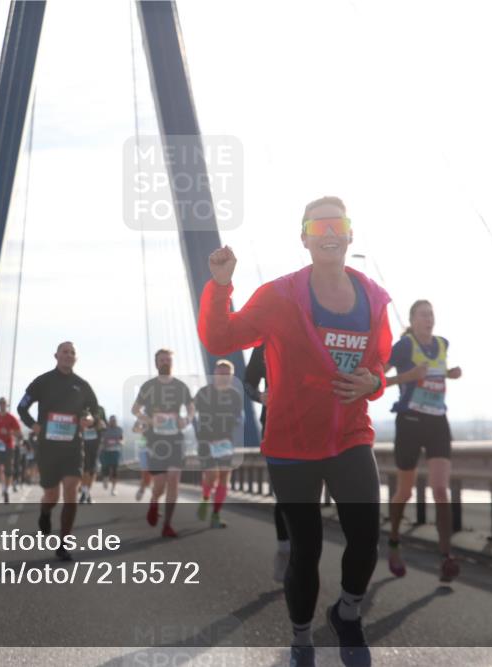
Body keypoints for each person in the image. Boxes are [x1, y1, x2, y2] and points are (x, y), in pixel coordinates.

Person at [198, 196, 391, 667]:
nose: (329, 233)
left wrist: (374, 381)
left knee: (366, 535)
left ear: (350, 234)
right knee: (306, 548)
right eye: (319, 225)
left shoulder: (372, 297)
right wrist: (221, 287)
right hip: (291, 444)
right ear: (304, 238)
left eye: (338, 224)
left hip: (350, 436)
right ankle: (301, 639)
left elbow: (379, 361)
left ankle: (347, 613)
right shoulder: (279, 295)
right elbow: (221, 339)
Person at [385, 300, 463, 583]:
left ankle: (446, 557)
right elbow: (378, 376)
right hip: (410, 421)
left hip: (437, 422)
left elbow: (435, 372)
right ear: (412, 320)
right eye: (423, 314)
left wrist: (449, 374)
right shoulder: (404, 346)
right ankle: (393, 542)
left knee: (440, 489)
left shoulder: (442, 344)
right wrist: (407, 376)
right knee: (405, 492)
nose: (428, 318)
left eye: (431, 314)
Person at [17, 341, 100, 561]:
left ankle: (64, 543)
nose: (68, 355)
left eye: (72, 352)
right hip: (48, 448)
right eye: (65, 352)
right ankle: (45, 512)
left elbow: (96, 410)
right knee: (52, 495)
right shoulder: (42, 382)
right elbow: (21, 407)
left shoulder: (82, 385)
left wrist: (90, 419)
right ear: (56, 356)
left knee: (71, 492)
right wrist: (34, 426)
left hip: (73, 447)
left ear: (75, 358)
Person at [132, 348, 195, 538]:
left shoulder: (181, 386)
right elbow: (135, 410)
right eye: (161, 360)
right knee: (159, 484)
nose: (165, 362)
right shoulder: (148, 386)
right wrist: (150, 421)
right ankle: (153, 501)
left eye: (168, 359)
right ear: (156, 363)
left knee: (174, 479)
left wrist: (187, 419)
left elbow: (191, 408)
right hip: (155, 440)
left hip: (175, 438)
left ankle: (167, 524)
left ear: (172, 363)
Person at [245, 344, 291, 582]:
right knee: (283, 494)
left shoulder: (314, 330)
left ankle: (302, 553)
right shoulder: (262, 345)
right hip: (274, 424)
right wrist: (260, 396)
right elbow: (248, 383)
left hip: (312, 424)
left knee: (308, 496)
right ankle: (284, 550)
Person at [194, 359, 242, 529]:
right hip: (206, 441)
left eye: (227, 374)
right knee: (211, 475)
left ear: (231, 376)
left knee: (223, 478)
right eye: (220, 373)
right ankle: (205, 498)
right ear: (214, 374)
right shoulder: (203, 393)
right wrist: (202, 436)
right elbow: (193, 416)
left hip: (225, 442)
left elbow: (238, 418)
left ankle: (215, 514)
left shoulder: (235, 395)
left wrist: (232, 423)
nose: (223, 377)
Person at [0, 397, 21, 503]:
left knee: (8, 470)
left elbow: (19, 434)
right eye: (0, 403)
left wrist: (9, 432)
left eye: (4, 403)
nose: (2, 405)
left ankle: (5, 491)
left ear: (6, 405)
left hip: (8, 446)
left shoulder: (11, 418)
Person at [79, 405, 106, 504]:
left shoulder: (100, 409)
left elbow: (104, 424)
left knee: (92, 471)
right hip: (83, 445)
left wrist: (100, 426)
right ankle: (84, 494)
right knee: (85, 469)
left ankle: (86, 493)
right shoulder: (81, 408)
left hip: (95, 445)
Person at [100, 415, 124, 495]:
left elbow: (122, 439)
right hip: (105, 451)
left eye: (114, 420)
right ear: (109, 421)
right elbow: (101, 439)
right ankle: (105, 479)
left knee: (115, 470)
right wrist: (103, 442)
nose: (113, 422)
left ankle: (113, 489)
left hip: (115, 451)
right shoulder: (105, 429)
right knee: (105, 468)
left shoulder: (119, 429)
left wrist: (121, 442)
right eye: (111, 420)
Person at [133, 421, 152, 501]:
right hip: (144, 450)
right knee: (146, 474)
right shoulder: (145, 422)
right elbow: (135, 429)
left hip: (158, 451)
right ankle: (142, 489)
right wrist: (138, 421)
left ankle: (143, 489)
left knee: (154, 476)